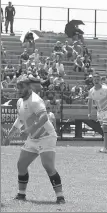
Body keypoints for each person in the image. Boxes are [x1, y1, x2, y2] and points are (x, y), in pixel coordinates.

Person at [6, 75, 65, 204]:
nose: (19, 90)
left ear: (29, 87)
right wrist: (11, 133)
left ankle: (60, 197)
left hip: (46, 137)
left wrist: (30, 129)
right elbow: (20, 119)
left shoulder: (35, 100)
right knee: (21, 165)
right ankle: (21, 195)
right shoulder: (20, 101)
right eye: (17, 87)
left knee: (48, 166)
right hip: (33, 139)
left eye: (21, 87)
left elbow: (44, 118)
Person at [88, 72, 107, 154]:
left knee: (105, 128)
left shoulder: (106, 89)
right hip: (100, 112)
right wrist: (89, 112)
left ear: (100, 80)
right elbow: (90, 102)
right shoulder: (91, 91)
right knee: (105, 130)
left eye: (98, 79)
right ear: (93, 80)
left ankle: (106, 147)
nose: (96, 81)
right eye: (95, 79)